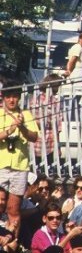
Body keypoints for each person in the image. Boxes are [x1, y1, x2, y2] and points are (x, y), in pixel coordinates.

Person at [0, 85, 38, 232]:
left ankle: (13, 244)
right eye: (8, 97)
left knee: (13, 210)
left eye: (15, 96)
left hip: (19, 167)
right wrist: (9, 130)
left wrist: (21, 127)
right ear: (3, 98)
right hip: (1, 165)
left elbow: (34, 137)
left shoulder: (26, 114)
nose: (11, 100)